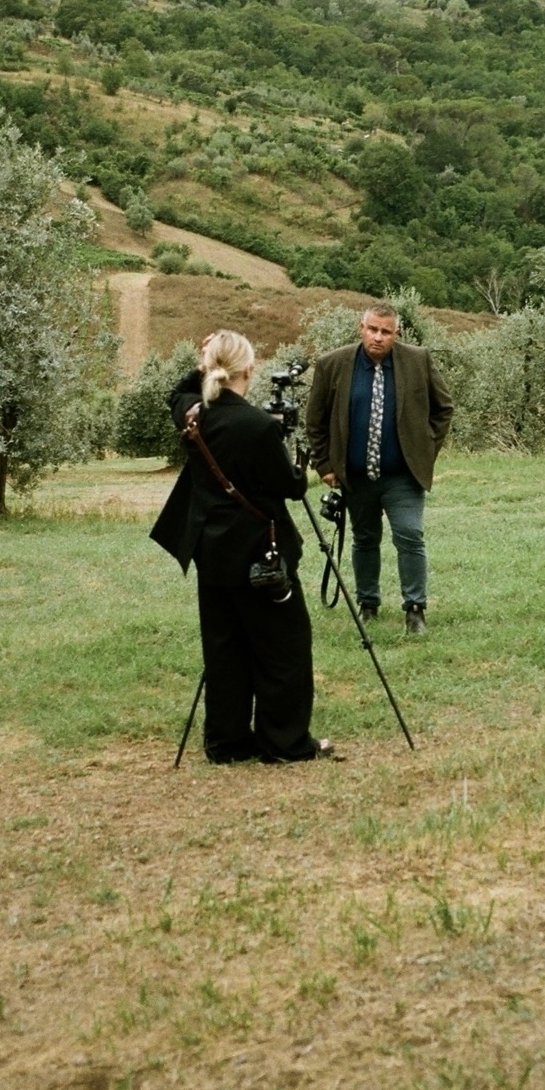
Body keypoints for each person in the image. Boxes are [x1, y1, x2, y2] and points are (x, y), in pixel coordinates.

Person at [151, 329, 329, 764]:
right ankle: (284, 742)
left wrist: (202, 361)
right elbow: (289, 487)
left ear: (209, 368)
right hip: (258, 554)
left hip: (210, 550)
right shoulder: (257, 426)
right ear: (249, 369)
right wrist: (298, 461)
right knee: (283, 646)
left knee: (224, 647)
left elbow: (176, 393)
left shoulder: (193, 415)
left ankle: (226, 742)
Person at [305, 302, 454, 635]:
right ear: (361, 328)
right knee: (364, 539)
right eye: (372, 329)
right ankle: (368, 604)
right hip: (355, 476)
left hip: (402, 476)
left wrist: (424, 451)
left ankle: (415, 609)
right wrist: (324, 464)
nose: (378, 337)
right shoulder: (332, 364)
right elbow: (315, 420)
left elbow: (443, 408)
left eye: (386, 331)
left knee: (410, 535)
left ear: (396, 333)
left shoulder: (418, 360)